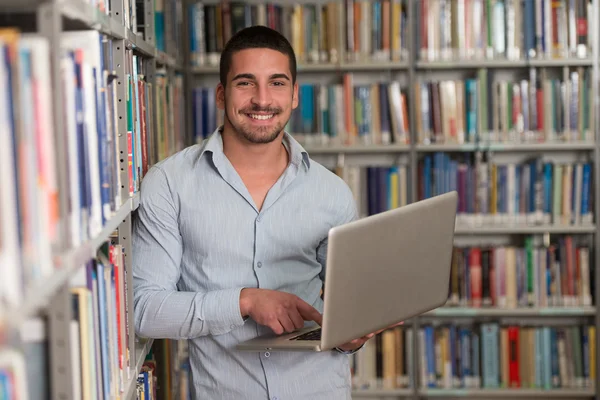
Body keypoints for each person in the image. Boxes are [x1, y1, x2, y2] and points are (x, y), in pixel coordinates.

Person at [132, 25, 388, 400]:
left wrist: (352, 336)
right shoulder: (169, 184)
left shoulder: (332, 193)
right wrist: (244, 301)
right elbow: (145, 310)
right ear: (221, 94)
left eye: (278, 83)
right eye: (245, 83)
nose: (262, 99)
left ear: (295, 95)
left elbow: (347, 311)